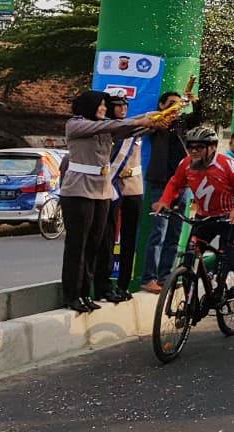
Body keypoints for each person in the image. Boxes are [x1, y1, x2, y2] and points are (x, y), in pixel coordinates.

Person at [62, 91, 165, 311]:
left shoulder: (105, 126)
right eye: (100, 105)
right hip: (78, 192)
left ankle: (85, 294)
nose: (103, 109)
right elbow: (112, 126)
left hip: (101, 192)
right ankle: (71, 295)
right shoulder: (76, 124)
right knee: (77, 246)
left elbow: (131, 129)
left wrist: (158, 117)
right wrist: (140, 120)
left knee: (93, 246)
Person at [152, 126, 234, 296]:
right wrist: (164, 201)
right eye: (190, 147)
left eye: (199, 147)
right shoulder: (186, 164)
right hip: (204, 218)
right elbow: (174, 183)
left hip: (228, 219)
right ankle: (189, 307)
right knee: (189, 257)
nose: (193, 151)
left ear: (212, 147)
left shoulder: (227, 164)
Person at [139, 91, 201, 294]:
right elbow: (145, 124)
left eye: (178, 104)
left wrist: (195, 103)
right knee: (159, 232)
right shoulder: (157, 123)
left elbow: (197, 120)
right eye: (171, 104)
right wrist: (163, 115)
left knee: (175, 233)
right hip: (160, 183)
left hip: (182, 184)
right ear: (162, 104)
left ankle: (166, 275)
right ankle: (149, 277)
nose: (175, 108)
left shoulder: (182, 124)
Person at [94, 95, 148, 302]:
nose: (123, 108)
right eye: (117, 106)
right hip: (110, 185)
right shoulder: (104, 128)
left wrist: (180, 105)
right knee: (106, 238)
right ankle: (104, 284)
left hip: (133, 187)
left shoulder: (133, 126)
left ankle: (124, 284)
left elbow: (152, 121)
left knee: (129, 238)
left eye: (125, 105)